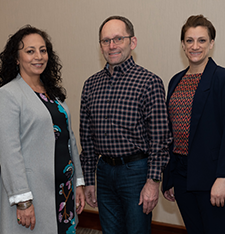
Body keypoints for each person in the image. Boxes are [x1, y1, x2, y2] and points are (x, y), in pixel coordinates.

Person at [80, 15, 171, 234]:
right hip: (103, 171)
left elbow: (160, 139)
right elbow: (87, 138)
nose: (112, 46)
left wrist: (153, 182)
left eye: (118, 39)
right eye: (105, 40)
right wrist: (89, 179)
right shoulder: (91, 85)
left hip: (136, 173)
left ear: (132, 42)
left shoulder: (149, 82)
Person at [0, 25, 85, 234]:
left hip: (63, 190)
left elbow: (69, 139)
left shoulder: (52, 93)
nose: (39, 56)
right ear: (16, 58)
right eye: (30, 51)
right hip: (34, 192)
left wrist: (78, 181)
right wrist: (23, 200)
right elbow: (9, 153)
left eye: (43, 50)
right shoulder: (8, 95)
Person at [162, 15, 225, 234]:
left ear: (211, 43)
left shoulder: (224, 79)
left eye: (201, 40)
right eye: (189, 40)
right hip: (182, 176)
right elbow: (170, 132)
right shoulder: (175, 81)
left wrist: (223, 177)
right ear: (182, 44)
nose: (195, 46)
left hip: (214, 178)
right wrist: (169, 176)